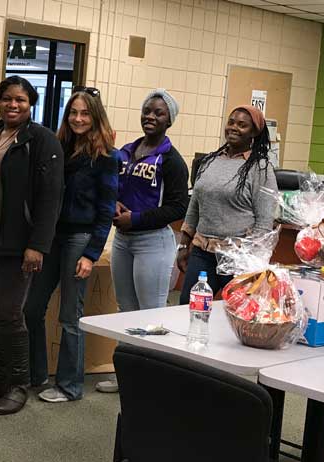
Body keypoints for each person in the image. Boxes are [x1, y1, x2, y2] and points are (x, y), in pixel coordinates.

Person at [0, 76, 64, 415]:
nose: (13, 105)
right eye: (7, 98)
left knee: (9, 313)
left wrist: (37, 245)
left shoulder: (41, 140)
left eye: (20, 99)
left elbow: (51, 199)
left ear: (30, 103)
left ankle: (18, 384)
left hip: (17, 242)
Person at [22, 87, 118, 403]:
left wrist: (91, 254)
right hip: (52, 236)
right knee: (32, 307)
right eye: (73, 112)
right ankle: (36, 374)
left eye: (85, 113)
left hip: (80, 238)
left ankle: (70, 385)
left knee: (69, 316)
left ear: (95, 117)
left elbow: (106, 211)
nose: (78, 118)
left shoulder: (105, 156)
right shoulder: (58, 147)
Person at [97, 89, 189, 393]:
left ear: (169, 120)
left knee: (151, 314)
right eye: (147, 110)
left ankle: (154, 383)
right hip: (123, 241)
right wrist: (113, 205)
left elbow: (178, 208)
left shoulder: (172, 161)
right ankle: (127, 378)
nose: (150, 116)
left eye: (158, 113)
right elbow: (111, 188)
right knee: (127, 311)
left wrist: (135, 218)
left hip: (153, 241)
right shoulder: (124, 151)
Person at [178, 105, 278, 299]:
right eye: (231, 122)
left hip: (237, 257)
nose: (234, 128)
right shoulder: (210, 162)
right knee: (188, 306)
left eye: (242, 125)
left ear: (254, 133)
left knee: (234, 312)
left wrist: (250, 262)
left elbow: (264, 222)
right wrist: (183, 245)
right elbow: (194, 207)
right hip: (202, 251)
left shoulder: (260, 169)